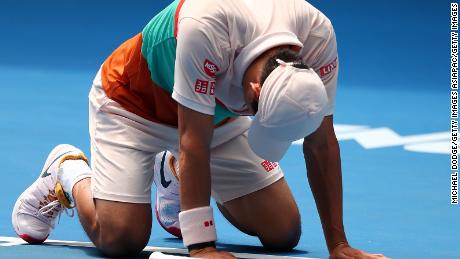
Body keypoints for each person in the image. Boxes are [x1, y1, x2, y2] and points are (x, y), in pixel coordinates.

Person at [12, 0, 388, 258]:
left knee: (282, 232)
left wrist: (339, 243)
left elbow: (321, 143)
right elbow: (193, 142)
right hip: (133, 107)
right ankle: (69, 170)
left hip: (218, 119)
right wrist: (201, 244)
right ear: (254, 91)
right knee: (122, 239)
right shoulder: (208, 24)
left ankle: (170, 172)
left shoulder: (318, 35)